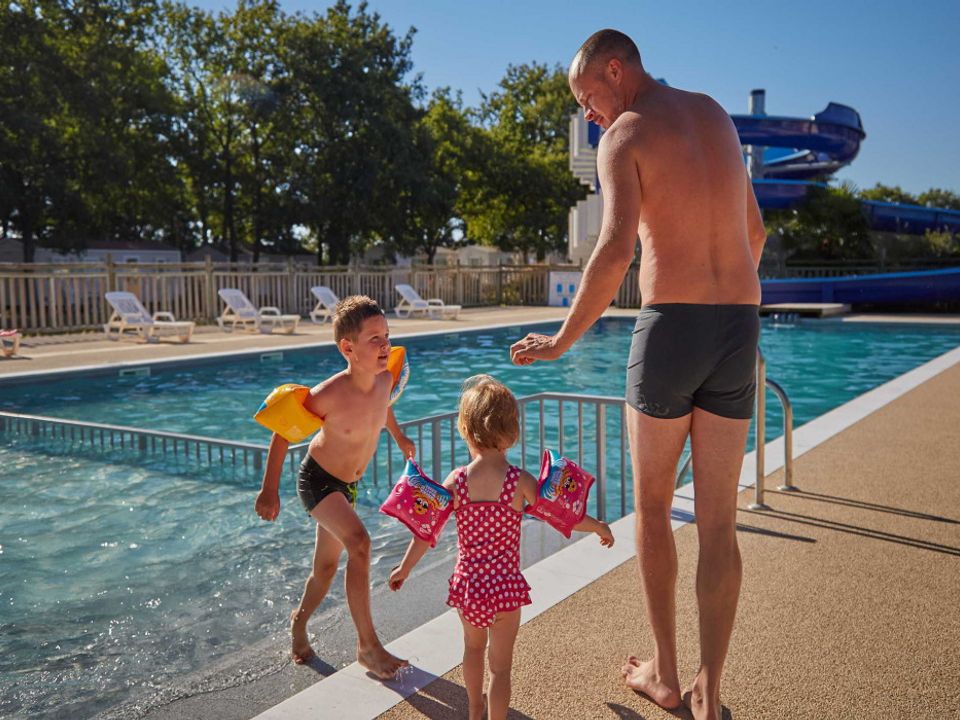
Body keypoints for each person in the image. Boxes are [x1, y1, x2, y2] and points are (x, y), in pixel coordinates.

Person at [509, 29, 766, 720]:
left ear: (614, 70)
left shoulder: (623, 135)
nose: (590, 112)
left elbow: (617, 247)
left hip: (673, 329)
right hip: (740, 325)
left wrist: (563, 340)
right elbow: (757, 233)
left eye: (588, 96)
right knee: (718, 522)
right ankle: (712, 695)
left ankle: (666, 676)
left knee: (653, 509)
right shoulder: (714, 113)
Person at [389, 375, 614, 720]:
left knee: (473, 651)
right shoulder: (519, 481)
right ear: (511, 430)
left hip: (469, 586)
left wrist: (405, 568)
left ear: (465, 428)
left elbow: (426, 531)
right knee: (501, 668)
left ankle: (474, 710)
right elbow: (558, 515)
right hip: (505, 586)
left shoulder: (457, 481)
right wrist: (596, 524)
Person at [255, 295, 416, 678]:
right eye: (374, 339)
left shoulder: (385, 379)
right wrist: (269, 490)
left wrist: (399, 437)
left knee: (325, 569)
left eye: (387, 336)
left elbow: (384, 407)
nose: (385, 345)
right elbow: (282, 435)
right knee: (360, 544)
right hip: (317, 480)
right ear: (348, 348)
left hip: (348, 487)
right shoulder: (329, 393)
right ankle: (368, 648)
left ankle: (298, 623)